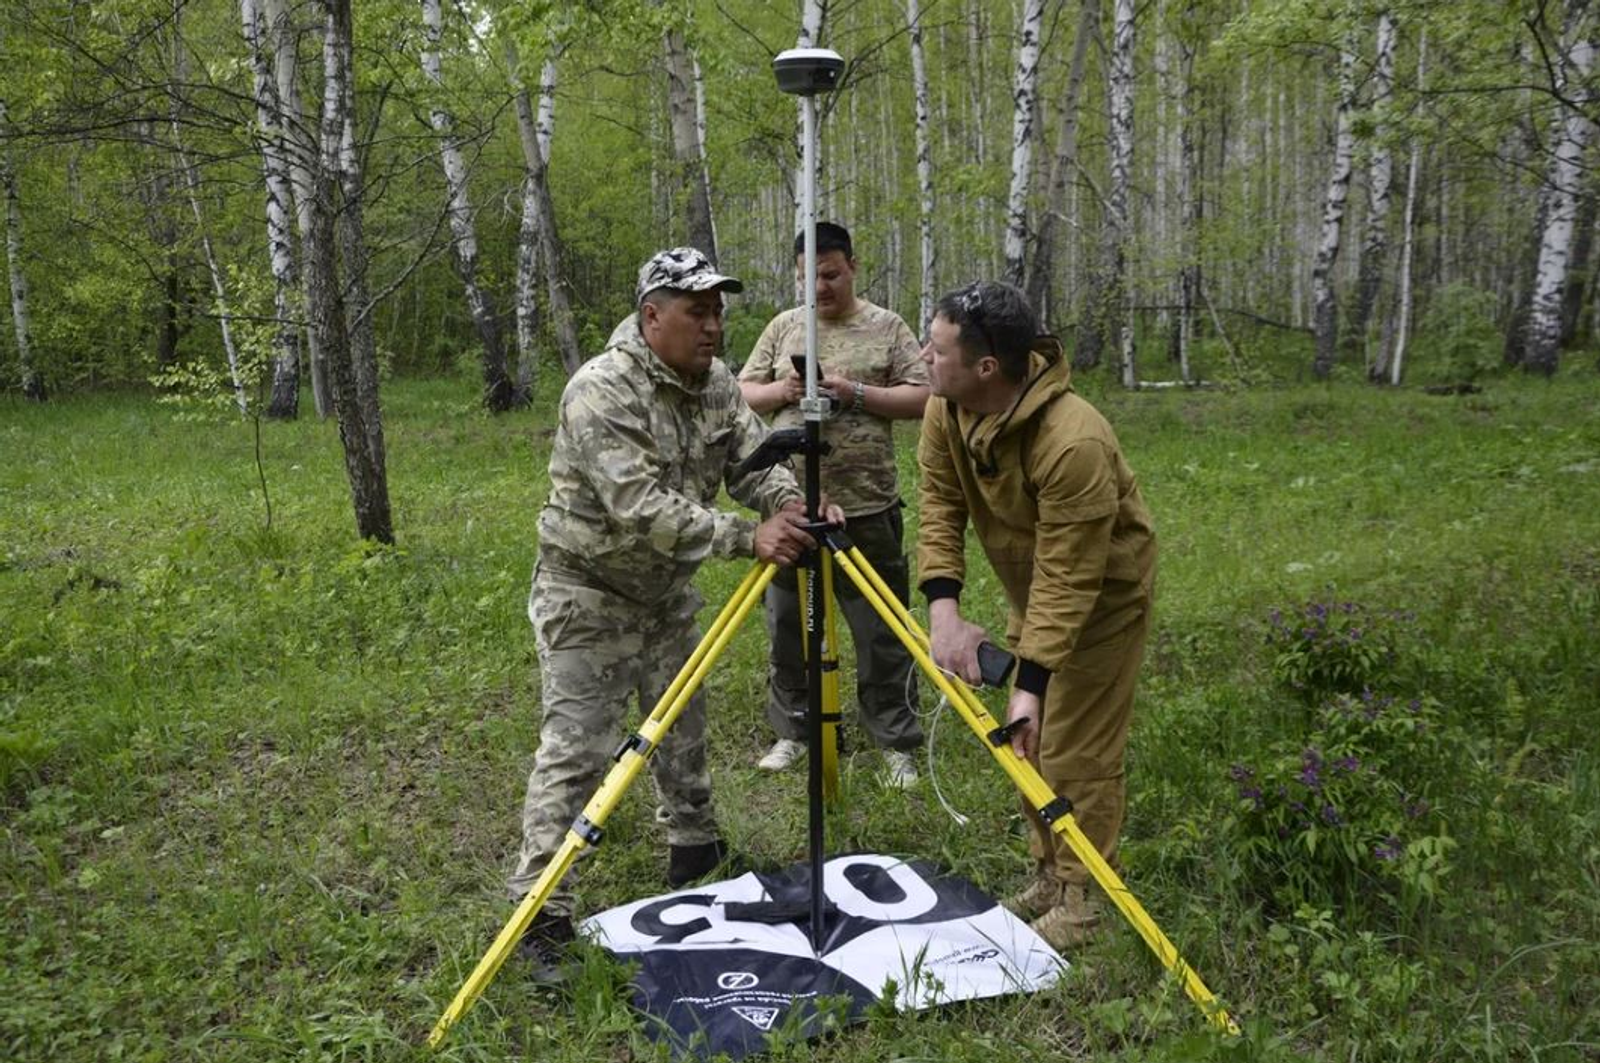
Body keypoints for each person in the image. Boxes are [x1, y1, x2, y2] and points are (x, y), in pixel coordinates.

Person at [508, 247, 831, 980]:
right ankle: (539, 912)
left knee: (684, 725)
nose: (714, 326)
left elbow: (752, 461)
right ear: (652, 315)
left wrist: (791, 505)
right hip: (586, 593)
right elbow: (640, 507)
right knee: (577, 751)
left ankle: (696, 849)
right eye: (697, 311)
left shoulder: (715, 383)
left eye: (719, 309)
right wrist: (749, 537)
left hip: (665, 593)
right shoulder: (602, 390)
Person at [916, 281, 1156, 951]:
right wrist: (945, 612)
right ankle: (1051, 870)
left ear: (986, 366)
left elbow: (1071, 575)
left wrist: (1032, 682)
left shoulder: (1073, 439)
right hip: (1036, 589)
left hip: (1102, 596)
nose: (922, 358)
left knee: (1075, 746)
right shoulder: (947, 407)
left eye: (935, 349)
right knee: (1029, 742)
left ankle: (1085, 898)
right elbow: (938, 502)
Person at [738, 222, 932, 787]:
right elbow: (742, 391)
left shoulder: (886, 326)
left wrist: (857, 394)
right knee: (788, 625)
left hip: (868, 505)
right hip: (791, 505)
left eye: (829, 275)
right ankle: (797, 729)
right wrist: (784, 393)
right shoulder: (783, 328)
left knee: (881, 627)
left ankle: (894, 739)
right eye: (807, 279)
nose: (819, 288)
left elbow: (923, 397)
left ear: (851, 266)